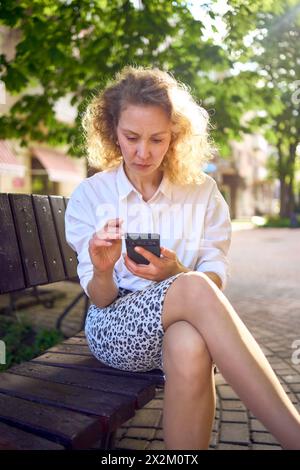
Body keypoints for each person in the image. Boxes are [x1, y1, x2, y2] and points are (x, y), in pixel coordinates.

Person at [65, 65, 300, 450]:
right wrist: (104, 269)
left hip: (182, 321)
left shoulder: (203, 191)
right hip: (113, 326)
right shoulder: (90, 196)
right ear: (112, 133)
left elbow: (215, 275)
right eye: (131, 137)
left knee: (190, 343)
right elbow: (101, 298)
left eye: (157, 139)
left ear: (175, 136)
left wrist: (174, 272)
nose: (144, 152)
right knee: (190, 287)